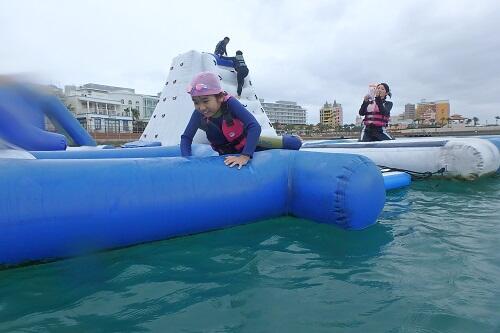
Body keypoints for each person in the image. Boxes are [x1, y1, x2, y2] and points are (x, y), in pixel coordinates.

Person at [181, 71, 261, 169]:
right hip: (225, 155)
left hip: (250, 148)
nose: (201, 107)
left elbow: (254, 126)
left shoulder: (230, 104)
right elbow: (186, 138)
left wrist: (245, 156)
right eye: (196, 102)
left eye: (206, 101)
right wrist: (187, 161)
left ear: (220, 97)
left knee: (283, 143)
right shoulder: (199, 113)